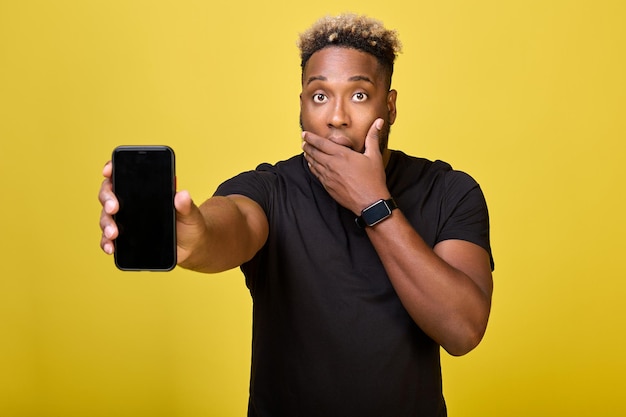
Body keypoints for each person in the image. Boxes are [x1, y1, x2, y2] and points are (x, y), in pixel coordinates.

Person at [99, 13, 494, 417]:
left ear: (389, 106)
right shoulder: (270, 190)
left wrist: (372, 202)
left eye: (358, 95)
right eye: (319, 96)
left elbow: (462, 330)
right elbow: (229, 224)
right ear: (301, 106)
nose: (336, 116)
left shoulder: (449, 191)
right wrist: (192, 237)